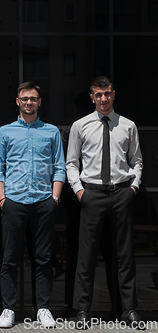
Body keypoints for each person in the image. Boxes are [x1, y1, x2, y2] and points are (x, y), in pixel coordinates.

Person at [66, 76, 143, 329]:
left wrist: (133, 187)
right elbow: (72, 163)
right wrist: (79, 191)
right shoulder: (81, 125)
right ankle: (82, 311)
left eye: (107, 93)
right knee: (86, 255)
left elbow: (137, 161)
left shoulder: (128, 126)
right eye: (98, 94)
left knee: (124, 255)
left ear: (113, 94)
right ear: (92, 97)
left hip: (121, 193)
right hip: (92, 195)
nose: (103, 98)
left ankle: (128, 309)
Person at [0, 81, 66, 329]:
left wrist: (54, 198)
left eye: (33, 98)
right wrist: (2, 198)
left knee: (43, 258)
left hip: (44, 201)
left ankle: (43, 308)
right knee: (10, 258)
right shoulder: (5, 132)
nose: (28, 102)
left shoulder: (52, 131)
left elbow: (60, 166)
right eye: (24, 98)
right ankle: (8, 308)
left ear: (39, 101)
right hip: (13, 201)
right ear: (17, 101)